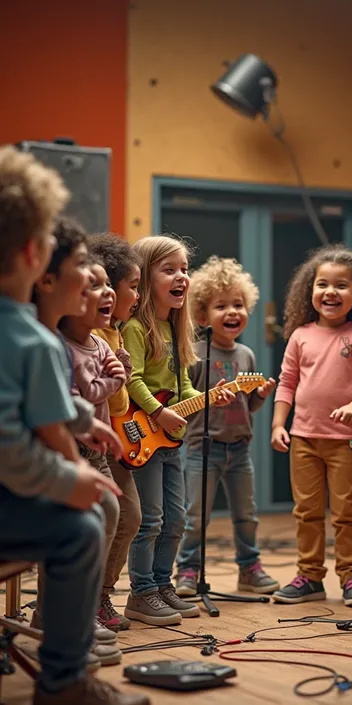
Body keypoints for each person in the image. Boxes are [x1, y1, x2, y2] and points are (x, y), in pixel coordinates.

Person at [0, 145, 148, 704]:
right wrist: (70, 482)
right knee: (81, 529)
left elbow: (40, 403)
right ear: (35, 253)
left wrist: (84, 419)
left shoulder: (20, 330)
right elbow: (10, 445)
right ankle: (63, 680)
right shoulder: (31, 337)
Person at [121, 235, 234, 626]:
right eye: (169, 269)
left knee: (176, 520)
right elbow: (132, 381)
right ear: (145, 279)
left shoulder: (174, 330)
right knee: (149, 520)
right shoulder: (136, 328)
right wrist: (157, 411)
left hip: (171, 442)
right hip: (143, 437)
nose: (181, 276)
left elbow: (183, 388)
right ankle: (141, 592)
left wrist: (207, 397)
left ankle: (163, 584)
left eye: (184, 269)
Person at [32, 216, 125, 663]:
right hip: (35, 473)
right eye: (84, 268)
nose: (93, 281)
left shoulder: (66, 341)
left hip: (80, 450)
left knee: (110, 508)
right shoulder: (42, 340)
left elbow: (68, 406)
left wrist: (88, 417)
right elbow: (49, 418)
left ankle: (70, 616)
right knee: (92, 514)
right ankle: (65, 629)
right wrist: (70, 472)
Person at [271, 244, 352, 607]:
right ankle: (309, 577)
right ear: (311, 291)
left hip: (345, 441)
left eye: (340, 286)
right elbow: (286, 383)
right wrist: (278, 424)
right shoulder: (300, 335)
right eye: (322, 284)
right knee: (306, 511)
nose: (330, 292)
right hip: (303, 437)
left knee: (347, 512)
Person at [174, 256, 279, 596]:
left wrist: (261, 395)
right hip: (202, 449)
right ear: (203, 315)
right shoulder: (195, 353)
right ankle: (188, 571)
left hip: (240, 448)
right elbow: (185, 402)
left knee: (246, 515)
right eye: (222, 306)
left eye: (238, 304)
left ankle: (249, 568)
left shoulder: (246, 355)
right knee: (195, 517)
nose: (232, 312)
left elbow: (248, 406)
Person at [60, 258, 128, 625]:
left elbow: (104, 395)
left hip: (98, 451)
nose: (110, 293)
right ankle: (69, 610)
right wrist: (113, 381)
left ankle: (92, 601)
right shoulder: (63, 347)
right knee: (83, 525)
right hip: (72, 449)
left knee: (112, 514)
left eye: (108, 285)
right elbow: (82, 400)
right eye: (96, 286)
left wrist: (120, 373)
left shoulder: (101, 345)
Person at [87, 233, 143, 631]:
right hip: (93, 443)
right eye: (134, 286)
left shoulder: (115, 332)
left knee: (130, 517)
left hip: (112, 439)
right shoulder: (94, 334)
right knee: (116, 519)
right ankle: (89, 600)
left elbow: (120, 402)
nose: (135, 296)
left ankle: (101, 595)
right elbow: (102, 396)